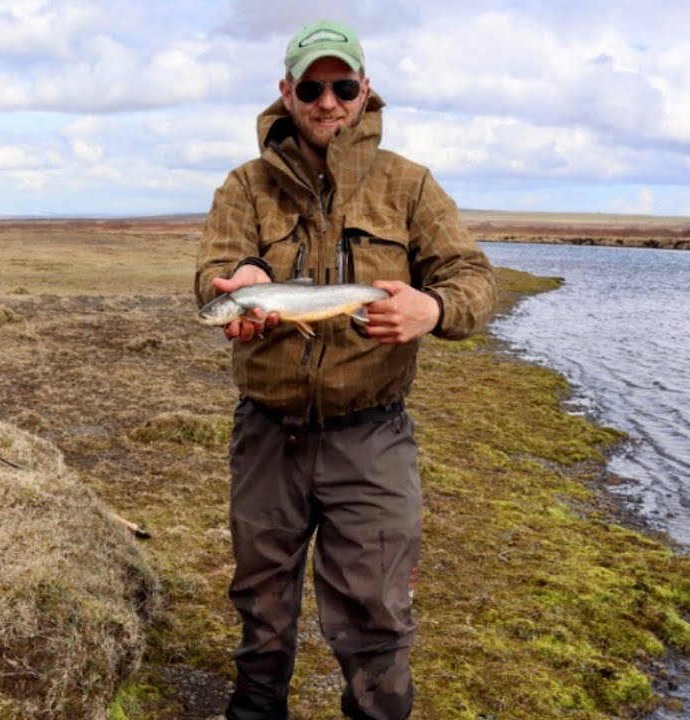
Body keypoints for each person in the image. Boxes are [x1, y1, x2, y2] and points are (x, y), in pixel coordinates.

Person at [194, 18, 497, 720]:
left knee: (376, 617)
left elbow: (473, 277)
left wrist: (433, 309)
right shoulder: (245, 187)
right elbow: (212, 271)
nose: (327, 101)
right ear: (286, 91)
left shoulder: (410, 186)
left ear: (365, 90)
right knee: (261, 610)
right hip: (268, 435)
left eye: (342, 86)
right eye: (311, 86)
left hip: (372, 436)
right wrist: (235, 284)